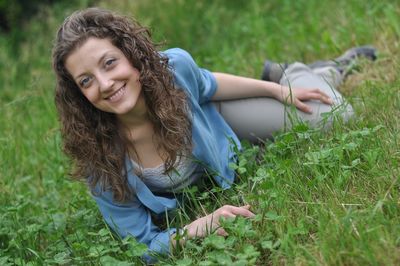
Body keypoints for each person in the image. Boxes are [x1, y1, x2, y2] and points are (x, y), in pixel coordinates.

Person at [52, 7, 376, 262]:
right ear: (78, 94)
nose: (105, 83)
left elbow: (210, 85)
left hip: (219, 120)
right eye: (86, 80)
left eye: (109, 63)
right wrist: (196, 227)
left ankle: (306, 73)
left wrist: (279, 90)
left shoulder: (174, 69)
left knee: (337, 115)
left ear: (132, 56)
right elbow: (143, 246)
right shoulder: (99, 159)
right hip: (217, 148)